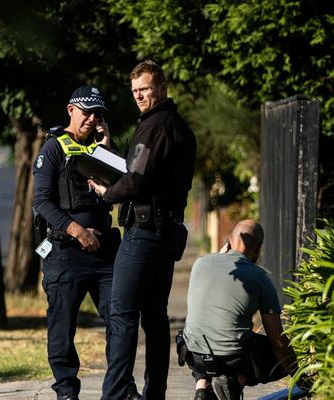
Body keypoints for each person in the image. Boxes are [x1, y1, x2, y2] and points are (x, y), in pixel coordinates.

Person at [89, 60, 197, 400]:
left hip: (145, 233)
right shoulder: (176, 126)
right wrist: (108, 152)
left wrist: (108, 193)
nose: (138, 96)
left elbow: (135, 181)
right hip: (166, 232)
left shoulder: (155, 126)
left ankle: (115, 393)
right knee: (154, 317)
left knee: (121, 313)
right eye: (135, 90)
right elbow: (143, 172)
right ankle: (155, 393)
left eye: (145, 89)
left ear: (161, 88)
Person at [32, 85, 139, 400]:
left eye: (98, 114)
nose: (93, 119)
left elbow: (124, 186)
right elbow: (42, 202)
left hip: (105, 250)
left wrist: (108, 148)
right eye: (87, 112)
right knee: (62, 324)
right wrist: (78, 231)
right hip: (66, 250)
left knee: (120, 318)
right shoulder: (53, 148)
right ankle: (66, 389)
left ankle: (122, 386)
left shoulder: (103, 146)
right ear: (71, 110)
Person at [177, 220, 299, 400]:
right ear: (259, 247)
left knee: (203, 329)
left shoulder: (200, 263)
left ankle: (202, 386)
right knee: (278, 352)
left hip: (193, 356)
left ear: (229, 241)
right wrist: (300, 375)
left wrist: (220, 254)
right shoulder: (260, 277)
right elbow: (277, 341)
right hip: (232, 360)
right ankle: (235, 380)